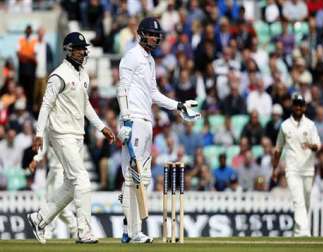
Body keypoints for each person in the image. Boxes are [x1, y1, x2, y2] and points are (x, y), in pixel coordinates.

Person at [116, 16, 200, 243]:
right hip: (132, 120)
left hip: (146, 122)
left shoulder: (150, 61)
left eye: (156, 35)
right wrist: (125, 121)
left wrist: (178, 105)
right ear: (141, 34)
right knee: (131, 178)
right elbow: (121, 89)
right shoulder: (131, 56)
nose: (154, 38)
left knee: (142, 180)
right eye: (151, 34)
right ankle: (132, 233)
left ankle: (128, 230)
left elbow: (154, 94)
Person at [27, 32, 115, 244]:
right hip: (60, 133)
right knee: (82, 180)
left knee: (69, 184)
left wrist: (101, 126)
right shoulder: (58, 75)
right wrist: (39, 134)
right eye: (78, 49)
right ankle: (84, 232)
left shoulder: (83, 74)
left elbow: (85, 106)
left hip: (77, 135)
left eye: (84, 49)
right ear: (68, 50)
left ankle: (40, 219)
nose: (83, 52)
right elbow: (46, 105)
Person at [272, 93, 321, 237]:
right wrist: (274, 169)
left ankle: (297, 231)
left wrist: (311, 146)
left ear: (304, 107)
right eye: (296, 105)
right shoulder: (285, 126)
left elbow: (318, 145)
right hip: (292, 169)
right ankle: (304, 233)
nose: (298, 107)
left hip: (307, 168)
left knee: (305, 201)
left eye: (301, 105)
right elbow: (278, 149)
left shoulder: (311, 125)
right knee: (298, 199)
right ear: (292, 106)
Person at [28, 129, 77, 239]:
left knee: (56, 201)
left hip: (62, 168)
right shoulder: (48, 126)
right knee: (52, 202)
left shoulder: (64, 125)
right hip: (52, 169)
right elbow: (43, 145)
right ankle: (75, 228)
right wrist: (36, 160)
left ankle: (48, 231)